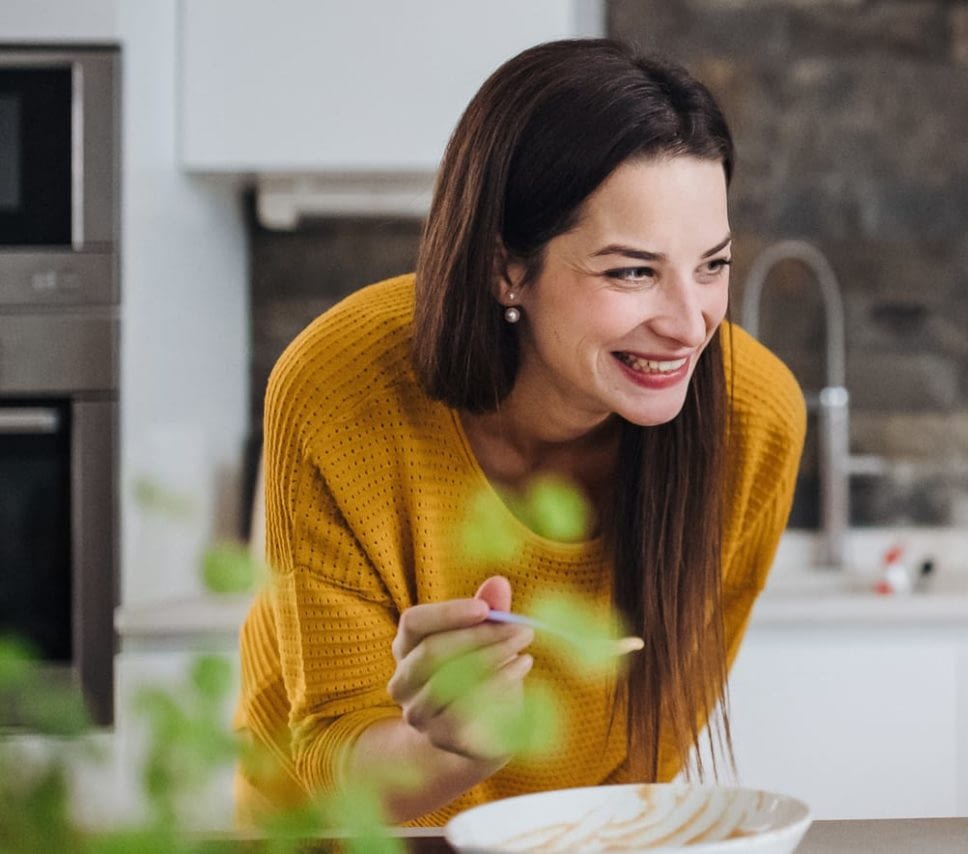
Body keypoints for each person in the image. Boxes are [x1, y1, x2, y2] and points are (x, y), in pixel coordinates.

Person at [233, 39, 806, 825]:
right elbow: (330, 768)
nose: (688, 323)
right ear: (507, 268)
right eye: (631, 271)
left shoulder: (755, 421)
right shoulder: (339, 392)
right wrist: (451, 746)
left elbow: (648, 756)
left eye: (712, 265)